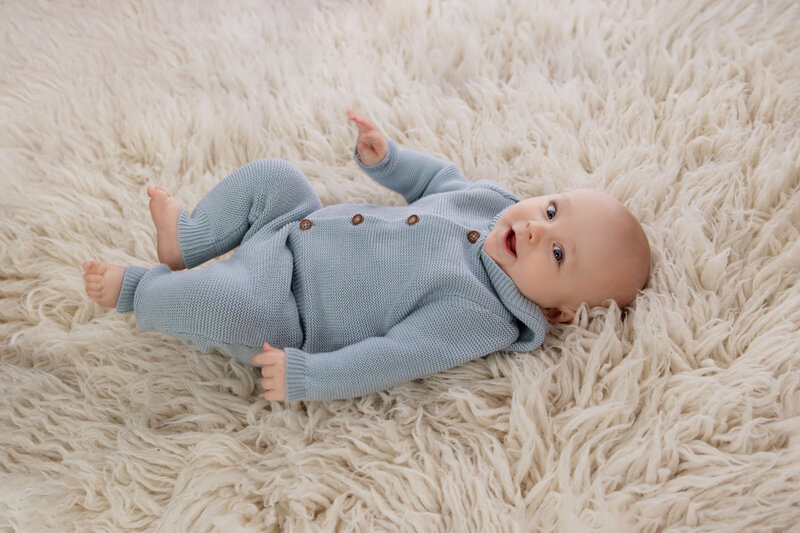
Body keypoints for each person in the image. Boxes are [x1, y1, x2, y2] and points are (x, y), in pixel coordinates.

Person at [83, 110, 650, 402]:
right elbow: (438, 180)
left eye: (556, 253)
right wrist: (389, 160)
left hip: (287, 310)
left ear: (556, 313)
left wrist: (313, 375)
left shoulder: (481, 315)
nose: (531, 230)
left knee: (222, 305)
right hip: (292, 225)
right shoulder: (494, 204)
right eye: (550, 211)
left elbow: (394, 355)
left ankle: (140, 290)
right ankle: (190, 238)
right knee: (276, 176)